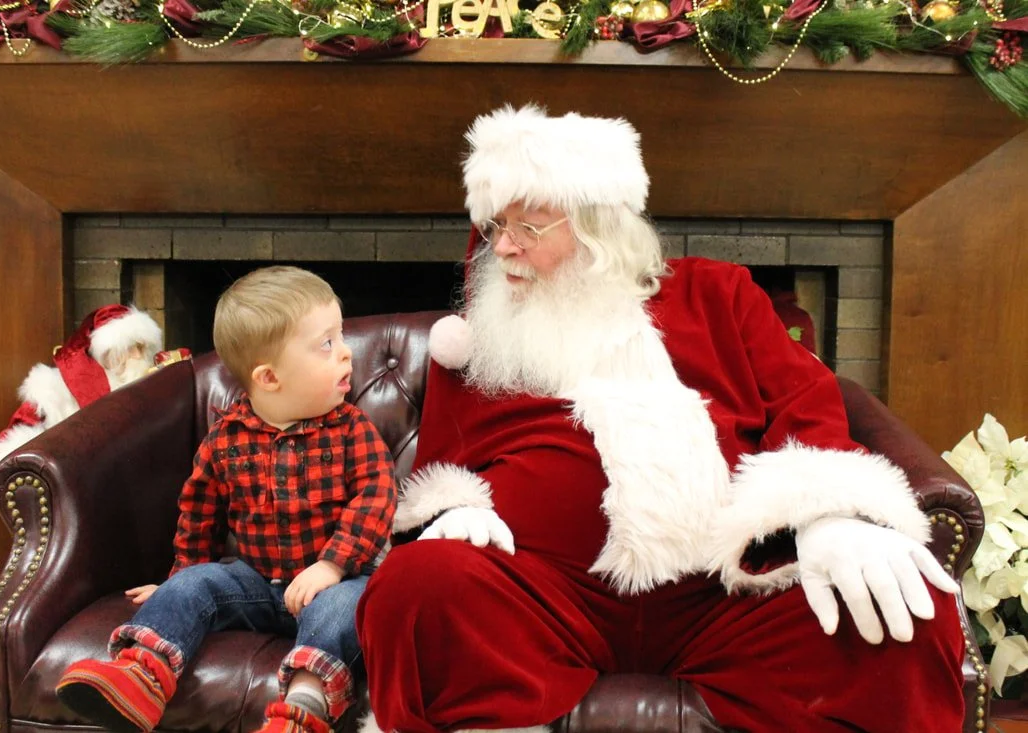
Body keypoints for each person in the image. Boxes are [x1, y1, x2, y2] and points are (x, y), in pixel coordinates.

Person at [356, 106, 964, 733]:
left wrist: (829, 515)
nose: (504, 246)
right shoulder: (483, 336)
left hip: (723, 594)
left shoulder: (721, 295)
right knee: (415, 588)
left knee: (905, 617)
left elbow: (804, 400)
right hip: (541, 598)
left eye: (530, 227)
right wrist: (456, 509)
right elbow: (448, 463)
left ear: (598, 232)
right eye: (496, 226)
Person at [56, 266, 397, 733]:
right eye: (327, 344)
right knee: (195, 586)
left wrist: (332, 566)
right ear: (269, 377)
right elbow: (198, 516)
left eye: (340, 338)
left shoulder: (352, 429)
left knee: (342, 609)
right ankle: (140, 676)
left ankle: (303, 708)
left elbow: (376, 498)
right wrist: (181, 580)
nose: (346, 354)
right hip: (257, 584)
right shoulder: (225, 440)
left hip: (339, 581)